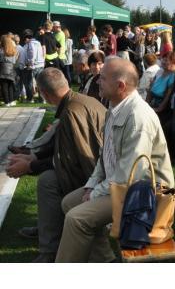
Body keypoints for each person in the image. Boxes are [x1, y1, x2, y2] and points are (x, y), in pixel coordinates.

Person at [55, 58, 174, 262]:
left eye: (102, 78)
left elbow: (131, 175)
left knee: (77, 219)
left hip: (143, 194)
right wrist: (91, 185)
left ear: (120, 86)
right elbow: (105, 156)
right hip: (120, 186)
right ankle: (104, 258)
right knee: (69, 203)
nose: (97, 81)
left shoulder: (137, 117)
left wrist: (95, 193)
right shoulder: (115, 107)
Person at [5, 67, 105, 262]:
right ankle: (49, 231)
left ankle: (49, 252)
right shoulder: (77, 101)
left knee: (48, 182)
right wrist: (33, 158)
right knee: (49, 179)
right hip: (99, 169)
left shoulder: (72, 111)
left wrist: (29, 167)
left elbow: (69, 161)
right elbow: (61, 145)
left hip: (98, 177)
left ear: (44, 93)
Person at [147, 52, 175, 135]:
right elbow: (151, 88)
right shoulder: (160, 71)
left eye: (166, 60)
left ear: (174, 62)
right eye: (163, 59)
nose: (163, 62)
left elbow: (168, 96)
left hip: (163, 108)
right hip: (152, 103)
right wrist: (146, 104)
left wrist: (159, 109)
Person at [21, 29, 45, 103]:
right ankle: (42, 99)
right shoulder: (38, 42)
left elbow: (32, 54)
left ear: (26, 38)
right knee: (40, 83)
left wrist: (30, 64)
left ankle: (30, 98)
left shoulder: (31, 43)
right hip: (40, 64)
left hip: (34, 65)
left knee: (29, 83)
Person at [0, 34, 19, 106]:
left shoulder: (1, 51)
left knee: (4, 86)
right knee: (10, 86)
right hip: (11, 69)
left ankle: (7, 102)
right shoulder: (13, 51)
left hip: (3, 69)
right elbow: (14, 61)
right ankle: (11, 101)